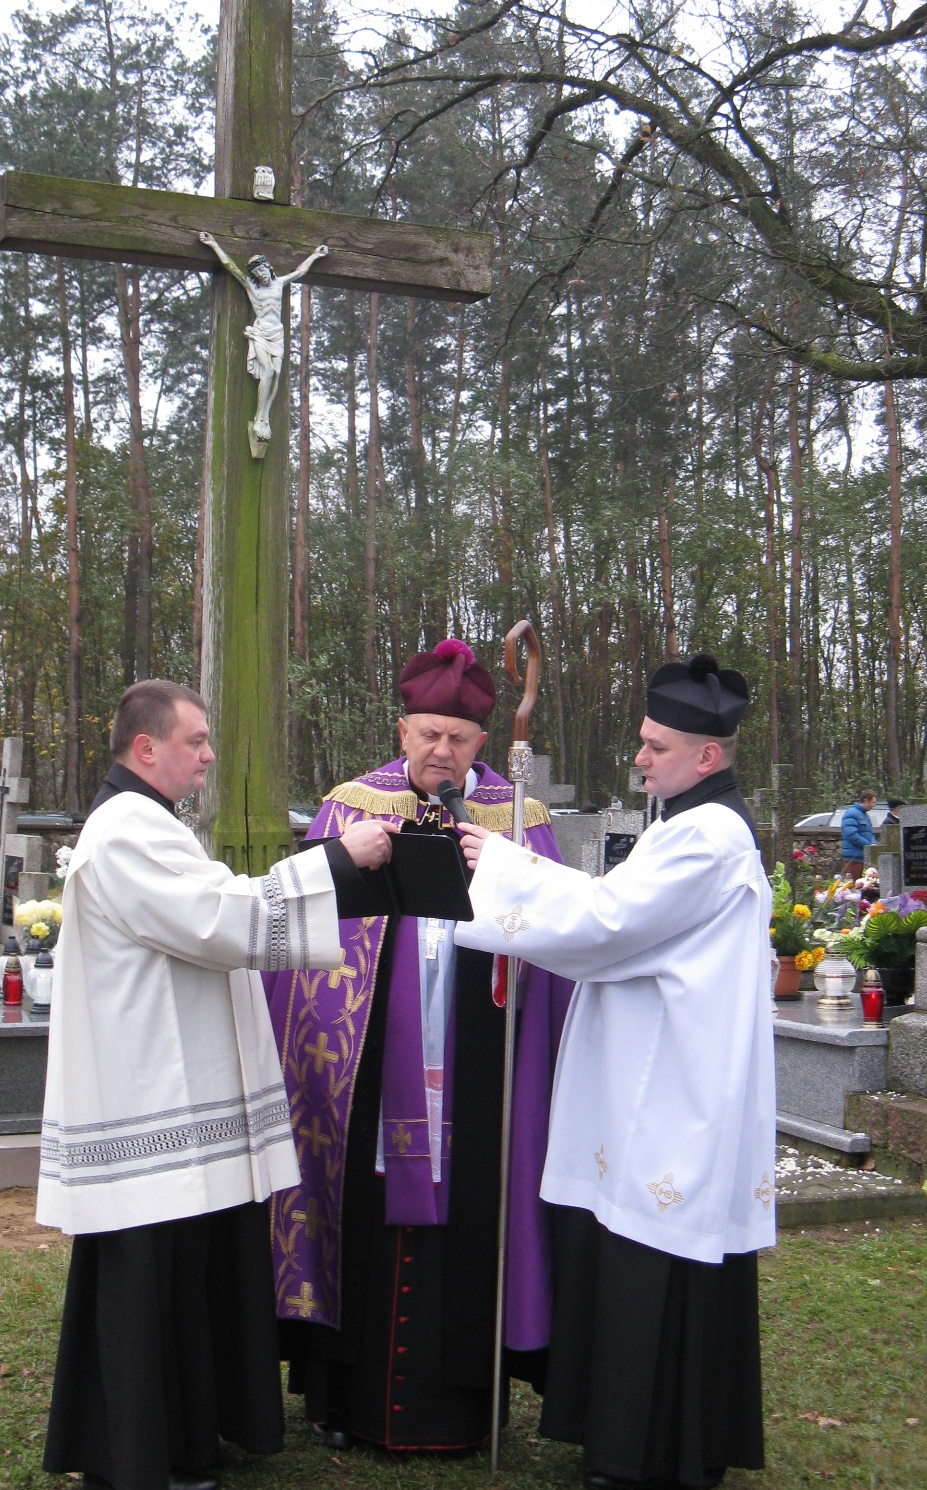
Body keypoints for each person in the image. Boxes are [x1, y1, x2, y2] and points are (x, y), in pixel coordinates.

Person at [38, 680, 392, 1490]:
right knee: (149, 1279)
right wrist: (337, 859)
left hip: (173, 1093)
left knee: (184, 1274)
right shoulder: (125, 829)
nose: (206, 757)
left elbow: (214, 912)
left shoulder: (150, 822)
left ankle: (187, 1438)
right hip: (147, 1098)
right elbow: (216, 917)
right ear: (145, 748)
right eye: (194, 741)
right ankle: (145, 1450)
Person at [455, 653, 775, 1490]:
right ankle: (633, 1438)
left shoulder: (708, 837)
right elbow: (617, 911)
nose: (639, 758)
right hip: (654, 1069)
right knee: (628, 1242)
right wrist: (516, 868)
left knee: (652, 1248)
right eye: (642, 740)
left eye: (655, 747)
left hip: (672, 1086)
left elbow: (606, 922)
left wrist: (502, 866)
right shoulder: (684, 823)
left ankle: (642, 1451)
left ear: (707, 755)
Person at [265, 638, 572, 1452]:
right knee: (357, 1207)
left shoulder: (519, 818)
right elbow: (310, 940)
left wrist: (511, 878)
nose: (442, 751)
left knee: (476, 1212)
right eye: (428, 734)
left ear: (481, 742)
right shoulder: (351, 807)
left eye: (458, 739)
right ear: (402, 731)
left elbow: (557, 940)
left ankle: (461, 1409)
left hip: (480, 1054)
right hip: (369, 1057)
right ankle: (342, 1398)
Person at [198, 231, 328, 444]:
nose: (260, 275)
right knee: (267, 370)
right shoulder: (252, 287)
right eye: (256, 273)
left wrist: (315, 255)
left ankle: (265, 415)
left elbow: (300, 271)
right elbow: (230, 266)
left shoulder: (280, 283)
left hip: (277, 334)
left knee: (276, 375)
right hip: (260, 333)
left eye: (262, 269)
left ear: (269, 267)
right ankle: (260, 416)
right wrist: (213, 245)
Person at [840, 789, 878, 880]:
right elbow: (851, 834)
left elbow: (870, 833)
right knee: (854, 884)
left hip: (864, 856)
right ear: (866, 800)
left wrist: (873, 843)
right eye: (873, 802)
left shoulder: (866, 815)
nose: (874, 805)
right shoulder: (851, 813)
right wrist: (868, 845)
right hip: (853, 858)